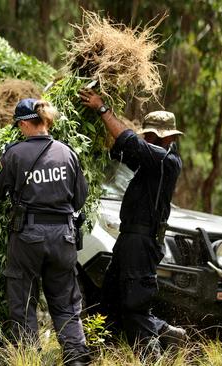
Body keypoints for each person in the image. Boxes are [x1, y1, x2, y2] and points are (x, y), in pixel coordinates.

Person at [78, 88, 187, 357]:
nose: (148, 140)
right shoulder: (151, 160)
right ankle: (158, 332)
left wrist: (102, 109)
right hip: (129, 240)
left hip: (142, 242)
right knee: (110, 302)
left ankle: (154, 356)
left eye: (152, 137)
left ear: (167, 138)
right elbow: (121, 151)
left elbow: (131, 143)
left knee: (134, 307)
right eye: (147, 136)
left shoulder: (165, 161)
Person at [0, 98, 91, 366]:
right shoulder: (67, 153)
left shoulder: (14, 154)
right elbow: (80, 198)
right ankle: (76, 359)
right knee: (65, 302)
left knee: (23, 301)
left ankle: (29, 358)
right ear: (45, 121)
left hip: (28, 235)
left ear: (23, 124)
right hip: (64, 237)